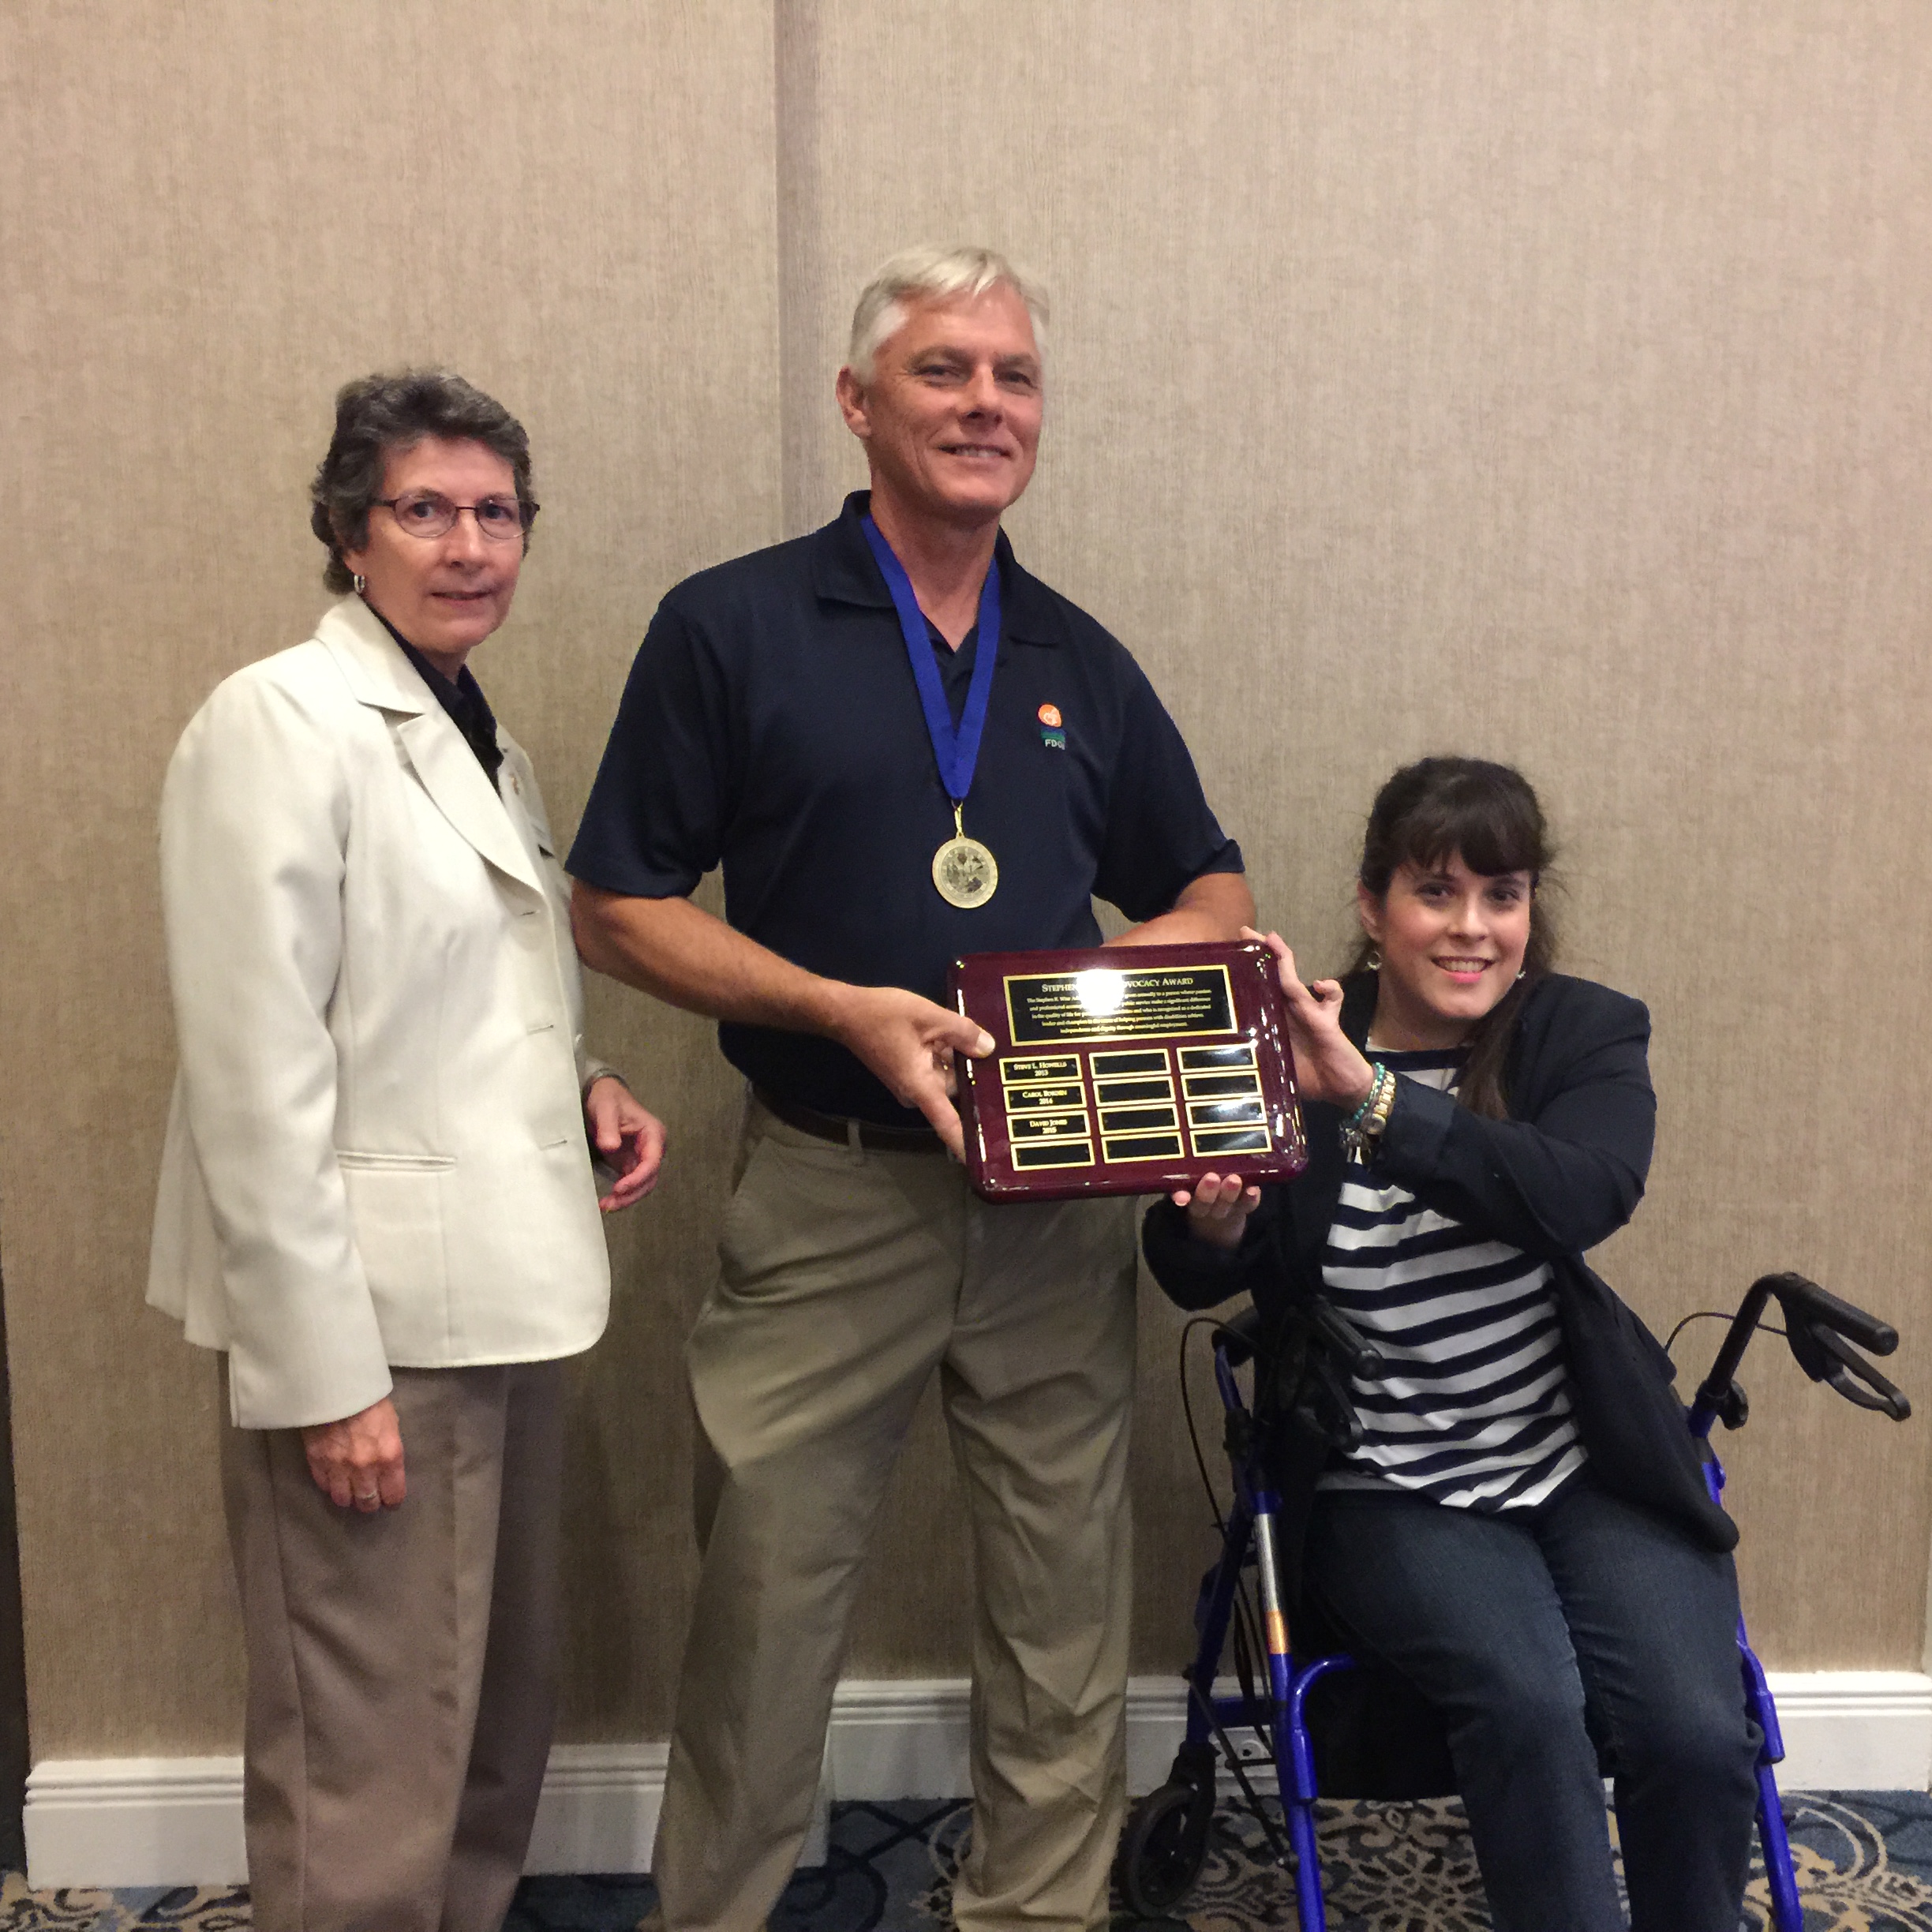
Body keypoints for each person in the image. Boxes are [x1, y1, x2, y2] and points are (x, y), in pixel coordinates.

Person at [568, 245, 1252, 1932]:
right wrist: (837, 1007)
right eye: (945, 371)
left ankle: (1034, 1911)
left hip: (1052, 1214)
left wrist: (1074, 1028)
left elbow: (1214, 896)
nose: (985, 405)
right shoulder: (729, 625)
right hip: (830, 1186)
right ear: (859, 402)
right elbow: (616, 904)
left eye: (1014, 377)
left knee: (1061, 1612)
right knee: (767, 1613)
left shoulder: (1077, 661)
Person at [147, 371, 666, 1932]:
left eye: (496, 512)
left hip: (496, 1298)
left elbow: (437, 995)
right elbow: (255, 1072)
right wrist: (326, 1377)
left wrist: (580, 1080)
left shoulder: (473, 728)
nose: (467, 544)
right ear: (345, 530)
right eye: (423, 509)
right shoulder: (278, 722)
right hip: (373, 1336)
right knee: (367, 1759)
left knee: (486, 1728)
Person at [1141, 756, 1760, 1932]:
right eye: (1437, 892)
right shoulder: (1282, 1046)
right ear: (1374, 910)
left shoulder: (1583, 1031)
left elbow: (1579, 1193)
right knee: (1531, 1706)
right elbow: (1187, 1265)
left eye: (1503, 894)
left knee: (1691, 1725)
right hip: (1388, 1483)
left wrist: (1372, 1098)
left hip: (1583, 1465)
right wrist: (1214, 1227)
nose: (1473, 929)